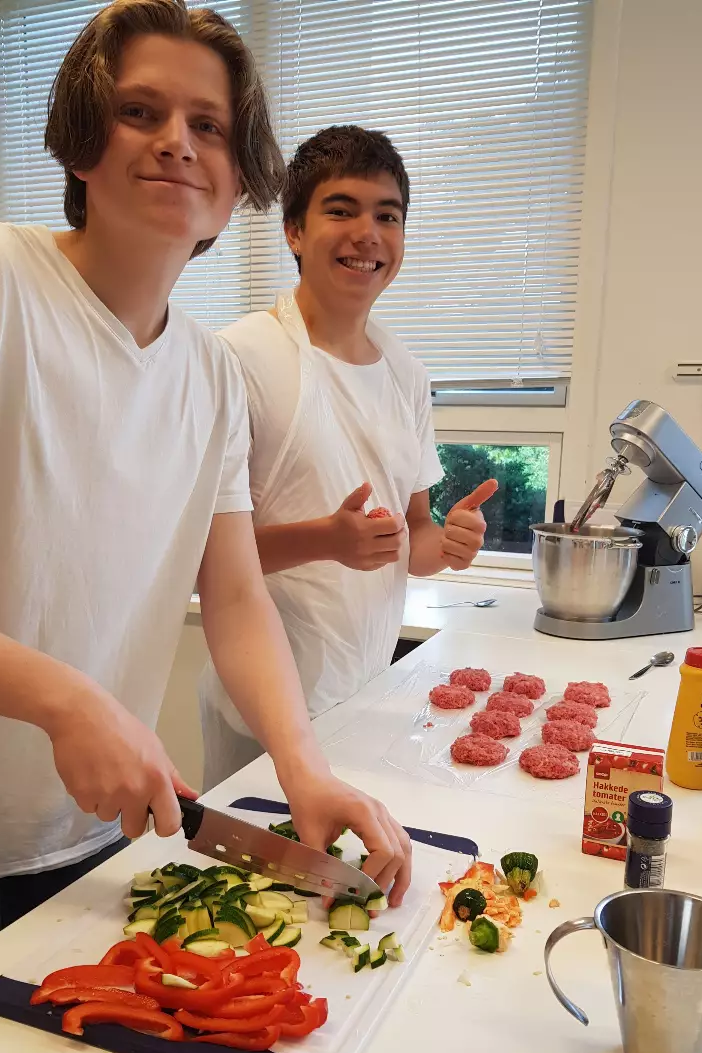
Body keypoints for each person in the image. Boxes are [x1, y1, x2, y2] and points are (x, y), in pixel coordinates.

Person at [0, 4, 411, 1006]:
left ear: (241, 179)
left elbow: (236, 594)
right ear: (82, 141)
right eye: (140, 111)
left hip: (91, 836)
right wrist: (68, 700)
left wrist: (303, 769)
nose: (178, 142)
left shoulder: (208, 374)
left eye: (209, 125)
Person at [200, 126, 495, 788]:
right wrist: (325, 540)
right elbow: (198, 561)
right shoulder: (238, 357)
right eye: (341, 210)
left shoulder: (406, 373)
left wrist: (450, 544)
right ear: (294, 231)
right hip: (259, 713)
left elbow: (412, 539)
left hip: (365, 697)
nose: (367, 234)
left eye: (387, 216)